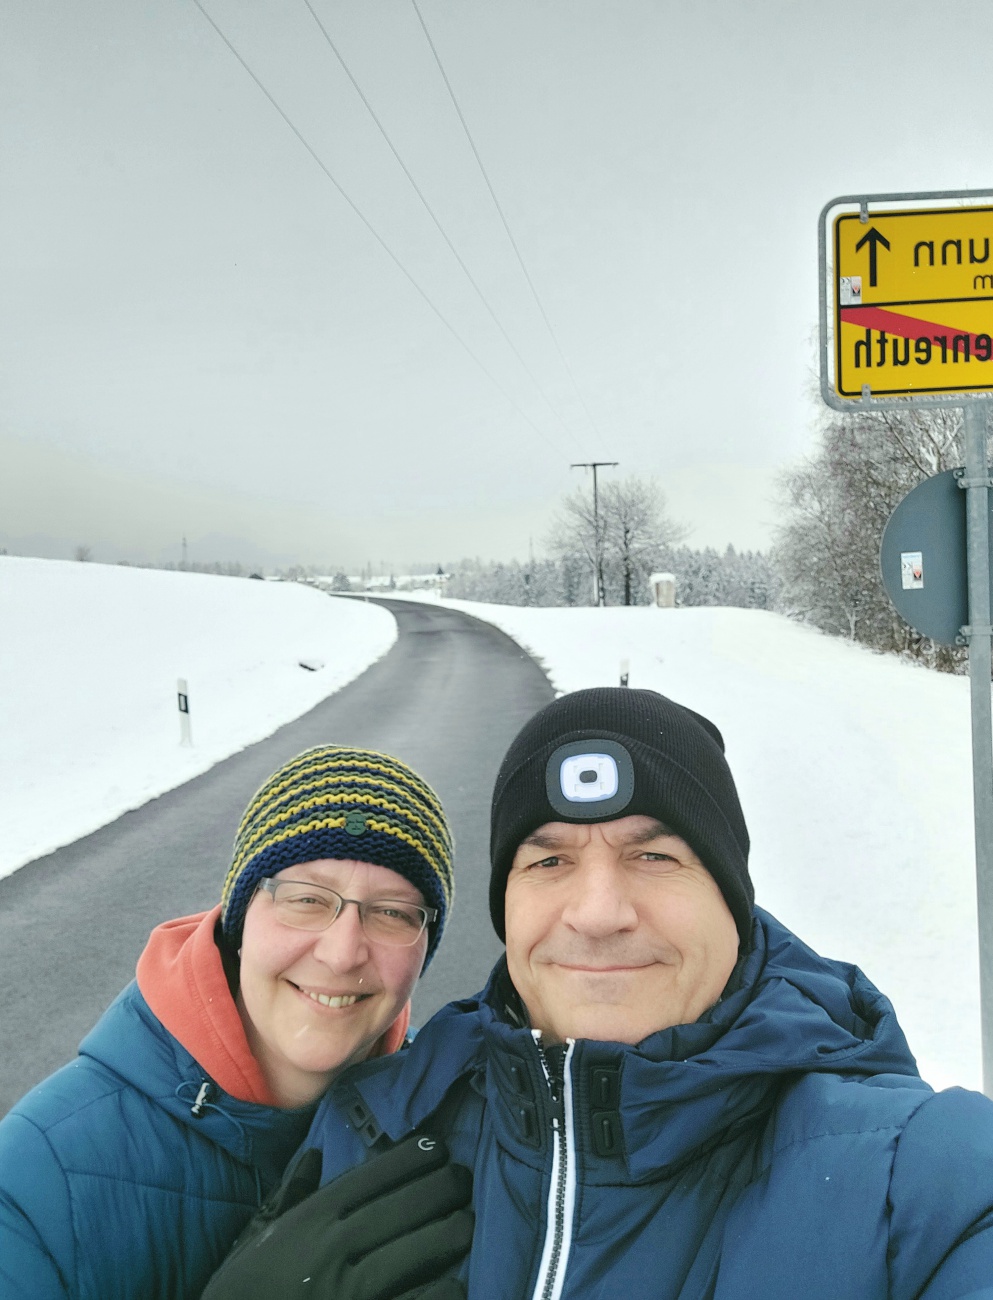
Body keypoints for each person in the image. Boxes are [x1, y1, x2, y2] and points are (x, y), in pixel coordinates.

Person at [206, 688, 993, 1299]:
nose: (597, 913)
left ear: (730, 899)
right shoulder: (376, 1125)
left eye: (653, 857)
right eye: (547, 862)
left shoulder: (917, 1178)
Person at [0, 745, 471, 1299]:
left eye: (392, 912)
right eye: (306, 900)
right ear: (241, 921)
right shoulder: (37, 1175)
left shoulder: (455, 1125)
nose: (343, 953)